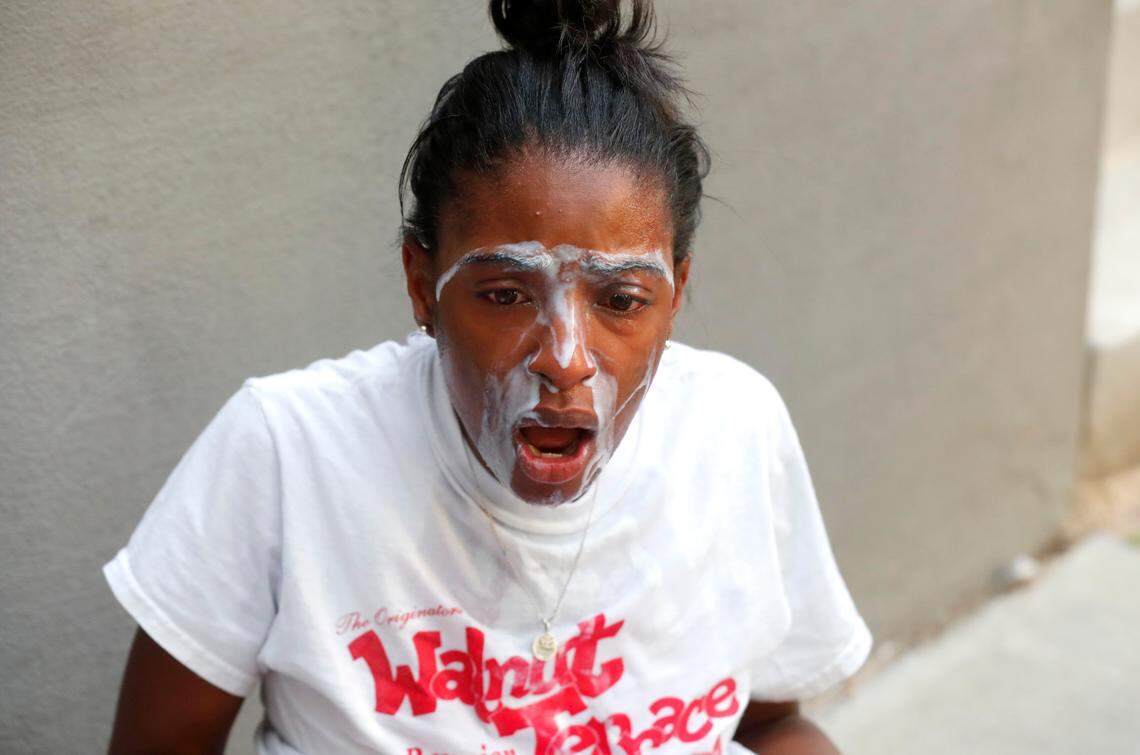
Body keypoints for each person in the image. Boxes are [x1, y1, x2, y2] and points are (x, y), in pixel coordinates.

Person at [104, 1, 872, 753]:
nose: (565, 358)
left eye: (621, 299)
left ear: (675, 293)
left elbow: (770, 724)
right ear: (422, 282)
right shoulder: (288, 455)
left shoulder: (734, 431)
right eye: (506, 294)